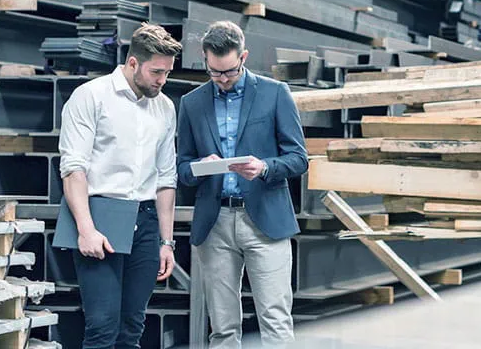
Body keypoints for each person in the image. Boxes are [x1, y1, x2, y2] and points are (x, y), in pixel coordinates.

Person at [176, 21, 308, 348]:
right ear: (204, 60)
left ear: (243, 57)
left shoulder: (275, 93)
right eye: (214, 72)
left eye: (229, 72)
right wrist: (199, 169)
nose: (222, 80)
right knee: (222, 327)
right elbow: (180, 168)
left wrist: (264, 167)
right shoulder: (192, 103)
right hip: (215, 221)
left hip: (265, 219)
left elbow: (299, 158)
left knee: (275, 321)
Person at [57, 23, 183, 349]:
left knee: (132, 326)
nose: (162, 80)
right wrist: (86, 229)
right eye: (156, 72)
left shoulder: (164, 107)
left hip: (145, 220)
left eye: (167, 73)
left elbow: (166, 178)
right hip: (100, 214)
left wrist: (166, 241)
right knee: (102, 326)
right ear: (132, 63)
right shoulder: (91, 96)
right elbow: (73, 168)